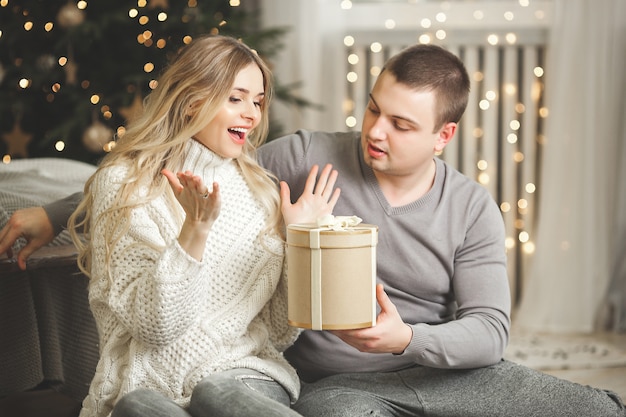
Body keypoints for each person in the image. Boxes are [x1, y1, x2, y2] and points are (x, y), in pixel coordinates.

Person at [2, 44, 625, 417]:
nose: (376, 131)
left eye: (402, 125)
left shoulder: (471, 207)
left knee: (592, 407)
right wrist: (55, 213)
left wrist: (404, 338)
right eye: (374, 108)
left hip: (440, 368)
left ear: (444, 136)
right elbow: (175, 166)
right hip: (339, 390)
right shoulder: (305, 156)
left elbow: (490, 332)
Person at [15, 34, 340, 417]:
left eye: (257, 101)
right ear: (192, 101)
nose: (252, 114)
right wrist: (193, 233)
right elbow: (155, 329)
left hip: (245, 379)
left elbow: (280, 332)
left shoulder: (262, 191)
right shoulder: (123, 185)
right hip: (149, 384)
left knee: (214, 391)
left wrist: (299, 243)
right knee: (138, 406)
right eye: (235, 98)